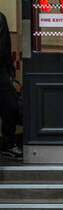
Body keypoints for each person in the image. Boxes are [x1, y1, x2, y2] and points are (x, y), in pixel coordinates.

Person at [0, 10, 22, 160]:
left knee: (11, 107)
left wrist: (10, 69)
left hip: (0, 70)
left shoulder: (1, 17)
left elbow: (6, 45)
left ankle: (8, 144)